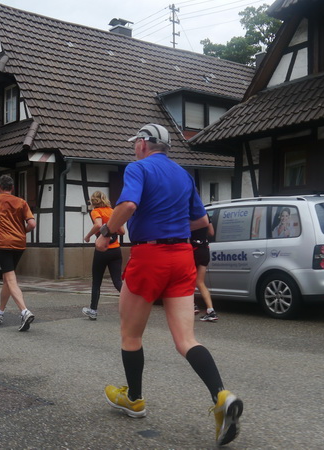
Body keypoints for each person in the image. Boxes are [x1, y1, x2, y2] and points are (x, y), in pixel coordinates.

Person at [97, 124, 243, 446]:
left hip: (150, 256)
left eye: (136, 143)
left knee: (131, 334)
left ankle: (134, 400)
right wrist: (169, 219)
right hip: (182, 257)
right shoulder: (183, 175)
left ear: (144, 144)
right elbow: (202, 222)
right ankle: (222, 396)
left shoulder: (138, 168)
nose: (134, 148)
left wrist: (106, 233)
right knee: (186, 339)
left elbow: (128, 206)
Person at [0, 174, 36, 331]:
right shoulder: (22, 202)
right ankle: (0, 311)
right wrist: (22, 231)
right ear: (12, 188)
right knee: (7, 278)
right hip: (19, 243)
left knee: (10, 278)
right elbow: (32, 224)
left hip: (3, 243)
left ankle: (24, 311)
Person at [83, 190, 124, 320]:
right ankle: (134, 305)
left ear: (93, 201)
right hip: (116, 250)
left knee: (97, 282)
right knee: (117, 281)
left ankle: (93, 310)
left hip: (102, 251)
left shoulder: (96, 211)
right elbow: (122, 231)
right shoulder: (113, 211)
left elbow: (98, 224)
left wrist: (88, 236)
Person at [192, 219, 219, 322]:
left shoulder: (188, 212)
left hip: (193, 249)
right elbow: (211, 232)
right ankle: (210, 311)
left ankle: (192, 305)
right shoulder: (205, 215)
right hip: (205, 249)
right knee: (200, 282)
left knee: (188, 280)